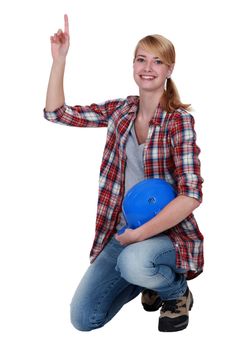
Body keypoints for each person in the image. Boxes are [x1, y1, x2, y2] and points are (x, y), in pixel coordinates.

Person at [44, 14, 204, 333]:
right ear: (133, 65)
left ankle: (174, 292)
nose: (148, 68)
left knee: (134, 261)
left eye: (157, 61)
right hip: (123, 229)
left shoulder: (178, 122)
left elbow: (191, 197)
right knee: (84, 318)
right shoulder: (121, 111)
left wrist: (138, 237)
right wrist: (59, 60)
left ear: (169, 70)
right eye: (141, 59)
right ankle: (146, 276)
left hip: (168, 234)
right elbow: (57, 114)